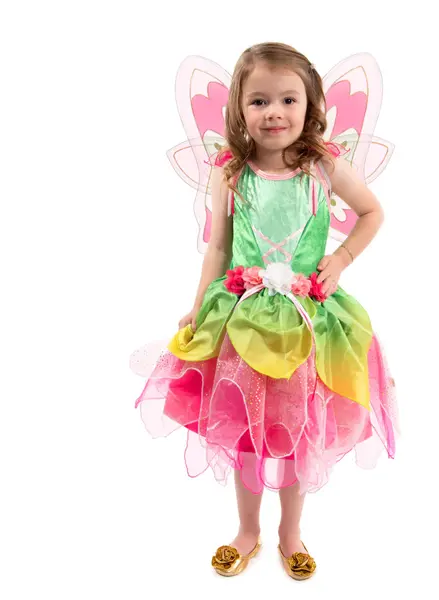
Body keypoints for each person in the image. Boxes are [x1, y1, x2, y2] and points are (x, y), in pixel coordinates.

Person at [134, 42, 398, 580]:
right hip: (243, 322)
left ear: (310, 105)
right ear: (238, 107)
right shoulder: (231, 172)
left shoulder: (323, 166)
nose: (273, 112)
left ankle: (290, 533)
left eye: (287, 100)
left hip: (308, 323)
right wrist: (197, 305)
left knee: (297, 430)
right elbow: (218, 246)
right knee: (247, 432)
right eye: (258, 101)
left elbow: (372, 211)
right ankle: (248, 530)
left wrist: (340, 259)